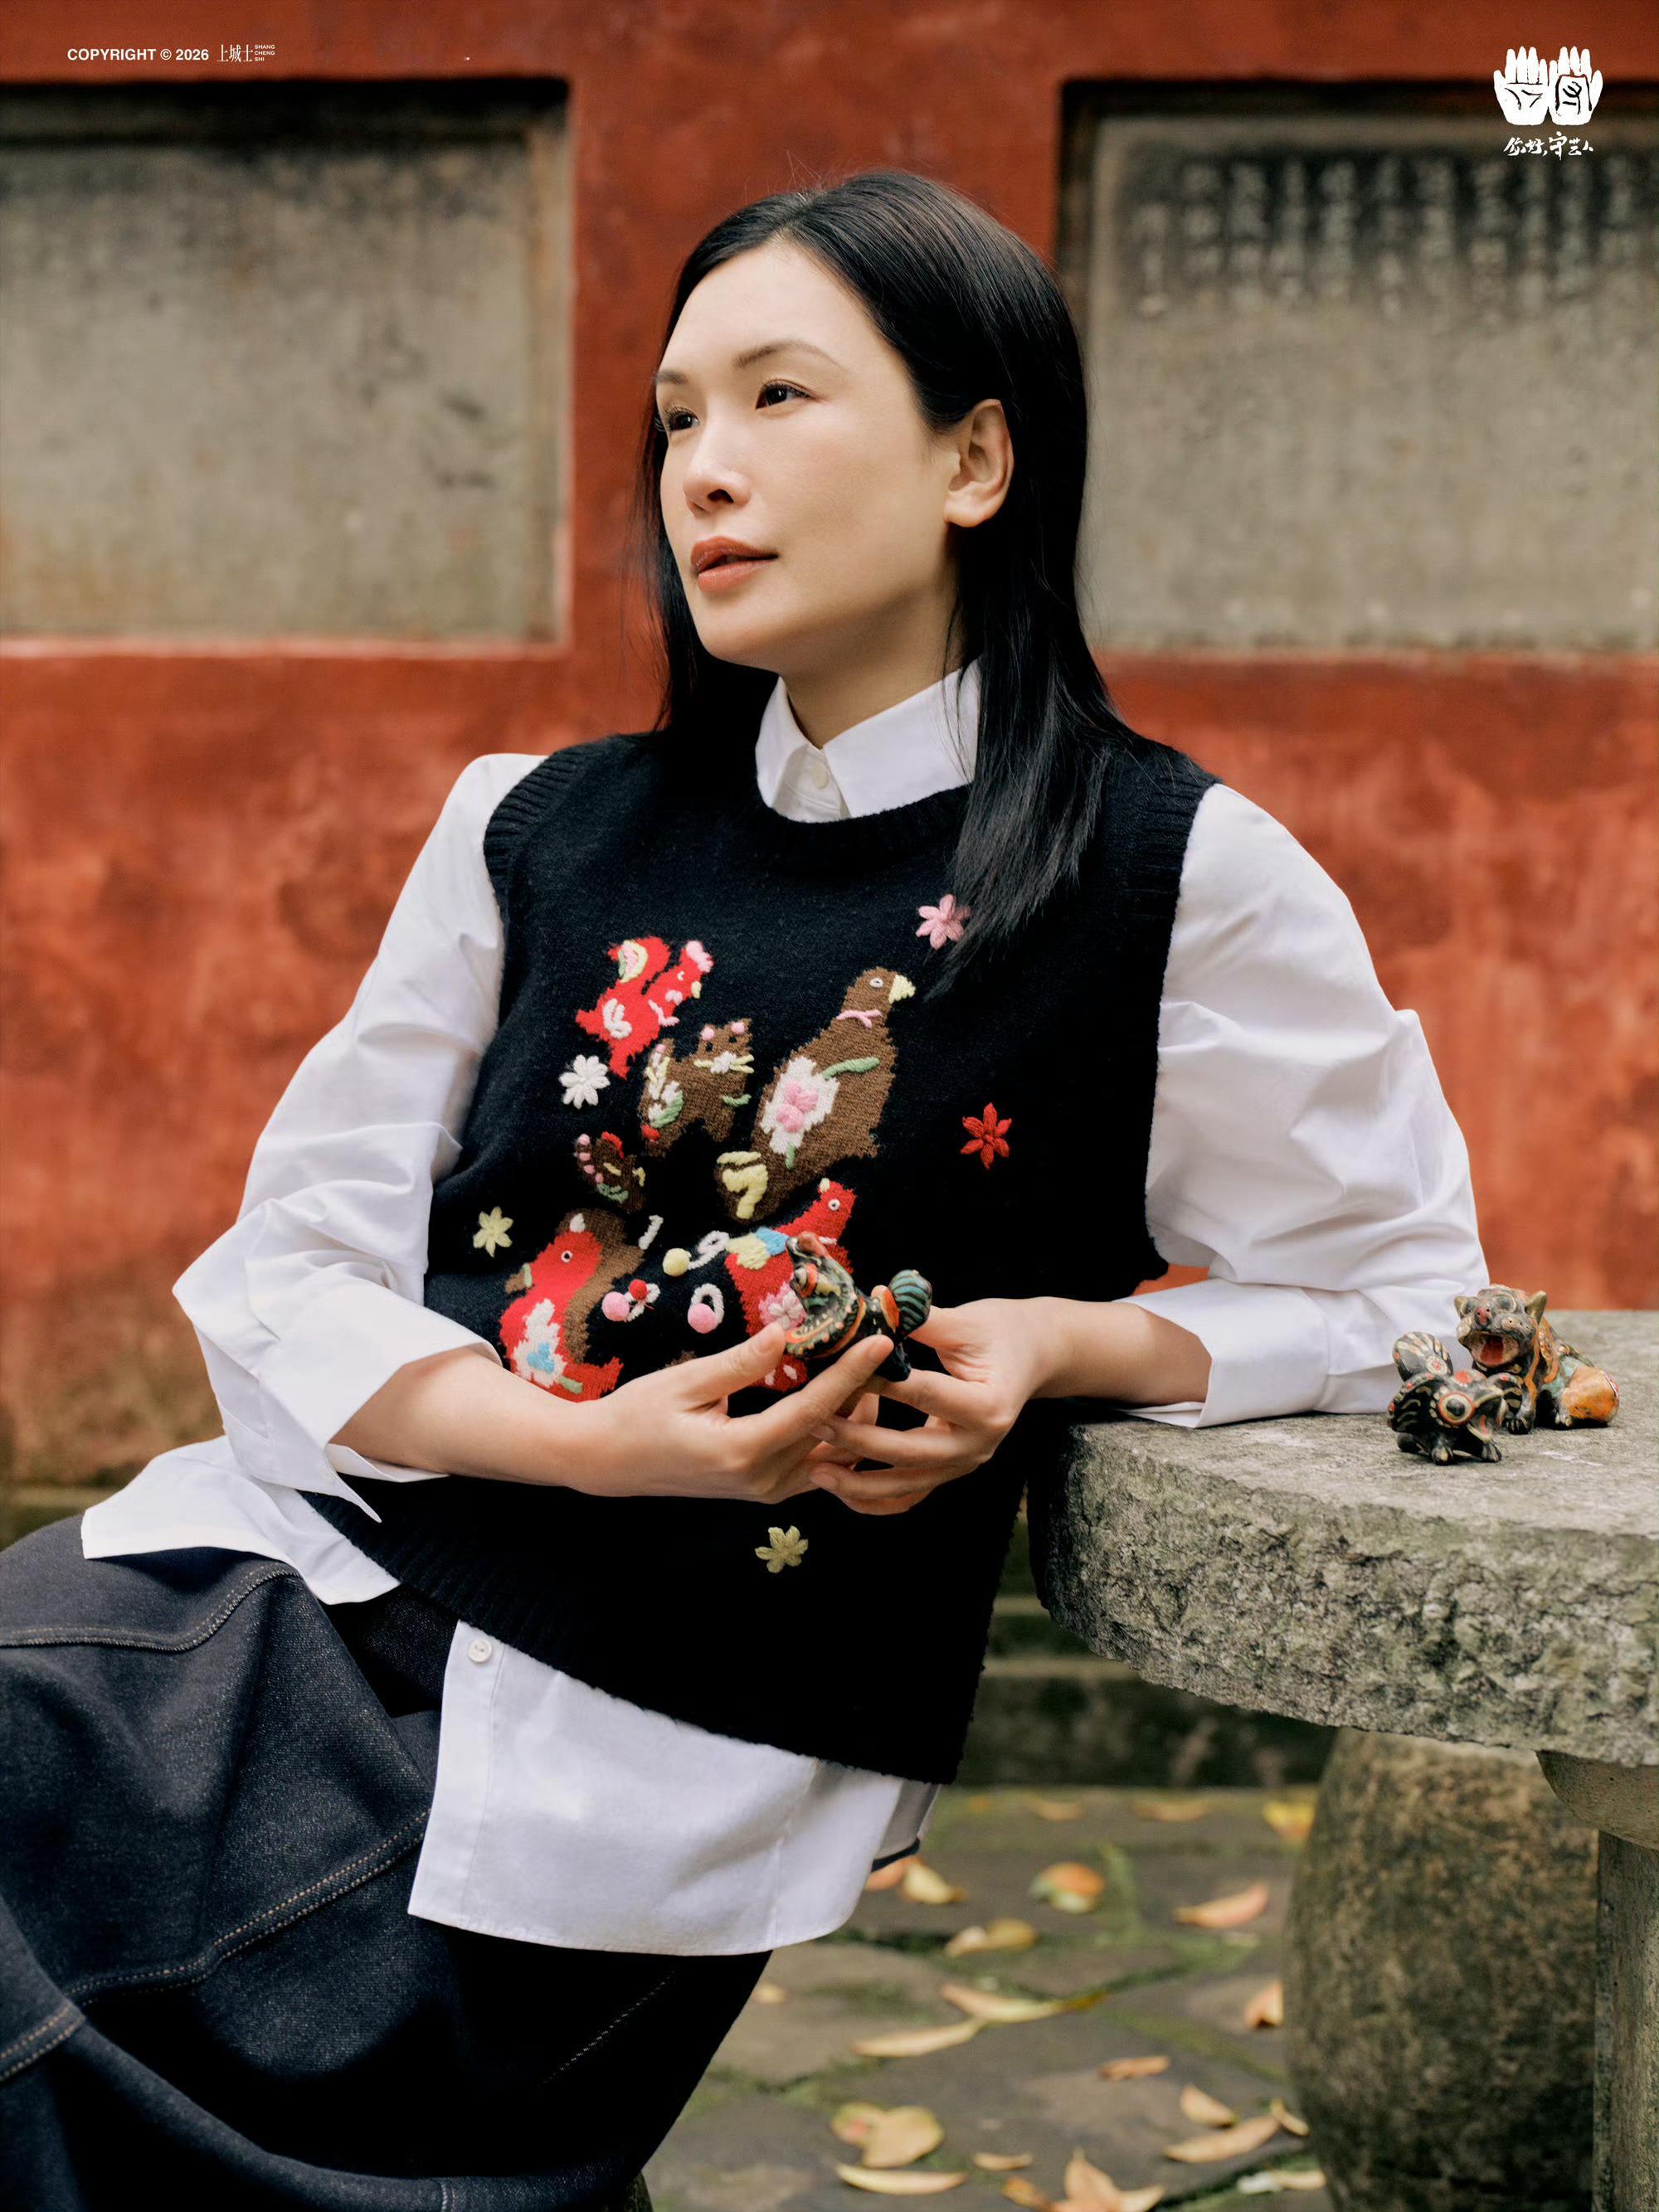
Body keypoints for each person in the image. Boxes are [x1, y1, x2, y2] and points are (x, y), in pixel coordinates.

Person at [1, 168, 1486, 2206]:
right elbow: (295, 1258)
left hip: (630, 1725)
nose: (703, 468)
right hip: (305, 1578)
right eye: (678, 415)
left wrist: (1057, 1345)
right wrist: (581, 1442)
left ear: (976, 459)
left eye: (779, 396)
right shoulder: (534, 828)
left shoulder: (1161, 879)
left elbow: (1405, 1292)